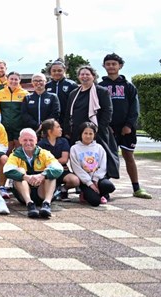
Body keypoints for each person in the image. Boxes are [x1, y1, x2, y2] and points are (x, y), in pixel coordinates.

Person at [100, 53, 150, 198]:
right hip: (108, 129)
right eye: (108, 64)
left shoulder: (128, 86)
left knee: (129, 156)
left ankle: (136, 188)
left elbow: (135, 108)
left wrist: (129, 125)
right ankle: (105, 188)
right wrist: (104, 125)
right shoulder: (100, 86)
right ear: (104, 66)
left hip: (126, 129)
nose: (111, 66)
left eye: (114, 64)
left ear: (120, 66)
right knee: (107, 158)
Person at [64, 65, 119, 179]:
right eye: (82, 74)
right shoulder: (74, 93)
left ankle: (100, 182)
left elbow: (107, 111)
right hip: (77, 133)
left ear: (93, 76)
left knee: (98, 159)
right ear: (78, 77)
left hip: (96, 132)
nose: (84, 76)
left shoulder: (101, 92)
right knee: (79, 159)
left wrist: (100, 128)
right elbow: (68, 113)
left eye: (87, 74)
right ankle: (82, 184)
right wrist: (67, 130)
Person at [4, 129, 63, 219]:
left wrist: (42, 175)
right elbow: (7, 170)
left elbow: (58, 168)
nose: (28, 143)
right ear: (20, 140)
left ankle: (46, 204)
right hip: (24, 195)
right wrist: (25, 177)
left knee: (50, 172)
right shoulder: (15, 155)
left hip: (42, 192)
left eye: (31, 140)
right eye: (25, 140)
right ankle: (30, 204)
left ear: (36, 140)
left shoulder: (44, 153)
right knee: (19, 171)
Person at [69, 122, 116, 206]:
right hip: (84, 180)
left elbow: (103, 166)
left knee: (109, 186)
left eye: (91, 133)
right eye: (85, 133)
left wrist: (95, 180)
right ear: (81, 134)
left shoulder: (99, 148)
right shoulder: (74, 148)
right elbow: (76, 169)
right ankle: (85, 193)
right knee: (95, 202)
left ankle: (101, 194)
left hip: (98, 179)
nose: (88, 136)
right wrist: (89, 183)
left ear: (94, 135)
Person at [36, 118, 80, 199]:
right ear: (50, 131)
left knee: (75, 180)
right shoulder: (41, 144)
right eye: (58, 127)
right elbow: (40, 162)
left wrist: (50, 163)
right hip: (47, 171)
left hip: (62, 171)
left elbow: (64, 159)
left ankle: (62, 189)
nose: (61, 129)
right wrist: (54, 165)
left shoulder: (63, 141)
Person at [0, 71, 27, 151]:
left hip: (19, 127)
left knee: (20, 151)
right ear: (7, 80)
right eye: (11, 79)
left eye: (16, 79)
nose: (13, 81)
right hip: (5, 127)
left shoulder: (25, 94)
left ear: (19, 80)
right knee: (7, 151)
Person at [47, 60, 78, 126]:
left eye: (59, 70)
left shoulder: (71, 85)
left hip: (66, 119)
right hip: (51, 120)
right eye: (54, 71)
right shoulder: (47, 86)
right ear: (50, 72)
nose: (56, 73)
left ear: (64, 71)